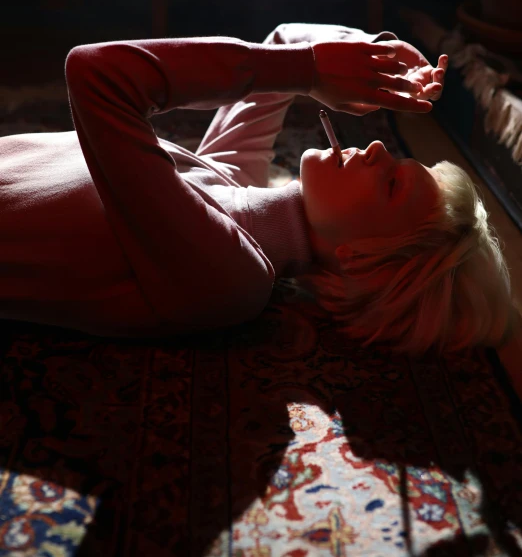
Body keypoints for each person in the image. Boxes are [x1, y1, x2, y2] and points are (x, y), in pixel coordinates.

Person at [0, 23, 515, 354]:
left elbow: (97, 74)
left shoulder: (231, 278)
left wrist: (307, 71)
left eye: (391, 183)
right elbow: (286, 43)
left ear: (358, 257)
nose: (379, 150)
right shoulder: (230, 181)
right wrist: (374, 61)